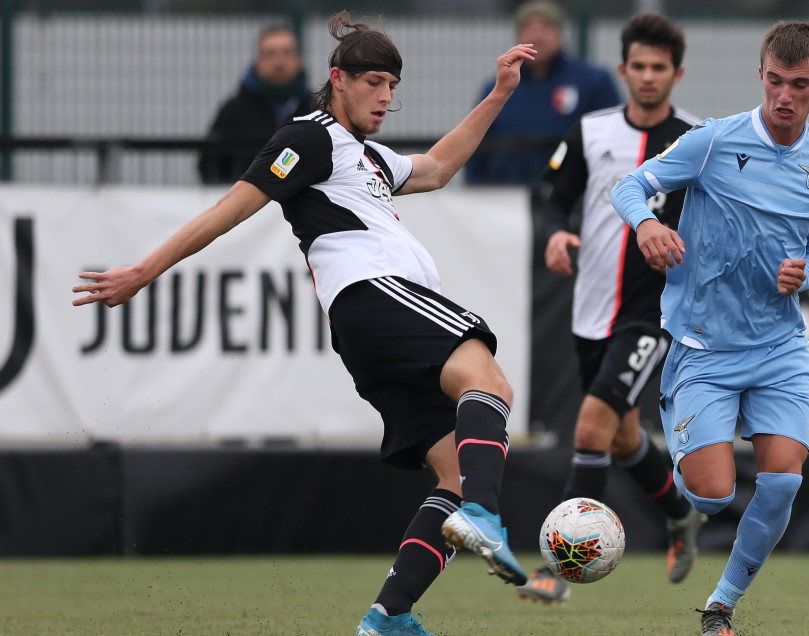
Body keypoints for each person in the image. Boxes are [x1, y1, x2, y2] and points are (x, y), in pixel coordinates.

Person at [73, 12, 536, 636]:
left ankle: (389, 617)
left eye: (393, 87)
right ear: (337, 79)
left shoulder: (365, 156)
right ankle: (485, 511)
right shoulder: (311, 136)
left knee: (452, 472)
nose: (386, 97)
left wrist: (499, 94)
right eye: (374, 82)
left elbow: (435, 168)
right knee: (489, 383)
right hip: (375, 296)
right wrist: (143, 271)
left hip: (364, 326)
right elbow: (228, 208)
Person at [610, 20, 809, 636]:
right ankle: (684, 460)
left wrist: (808, 273)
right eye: (775, 81)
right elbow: (630, 185)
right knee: (714, 496)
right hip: (702, 346)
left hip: (778, 346)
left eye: (799, 85)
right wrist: (646, 225)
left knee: (780, 484)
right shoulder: (713, 142)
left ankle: (719, 606)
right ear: (761, 76)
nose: (784, 96)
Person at [514, 13, 705, 606]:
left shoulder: (699, 139)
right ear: (623, 70)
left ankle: (559, 571)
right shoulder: (591, 131)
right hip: (591, 309)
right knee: (621, 439)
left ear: (677, 73)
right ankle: (680, 515)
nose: (648, 77)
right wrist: (553, 234)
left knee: (591, 425)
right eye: (639, 66)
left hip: (655, 313)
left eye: (660, 68)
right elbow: (555, 203)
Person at [464, 0, 621, 185]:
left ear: (560, 33)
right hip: (505, 200)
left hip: (573, 199)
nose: (537, 36)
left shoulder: (593, 81)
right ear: (517, 35)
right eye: (528, 28)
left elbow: (615, 138)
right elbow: (475, 144)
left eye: (546, 27)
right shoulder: (498, 88)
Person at [197, 25, 313, 185]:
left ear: (299, 59)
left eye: (287, 53)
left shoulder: (318, 108)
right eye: (270, 53)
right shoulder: (233, 111)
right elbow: (210, 165)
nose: (279, 62)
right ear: (257, 61)